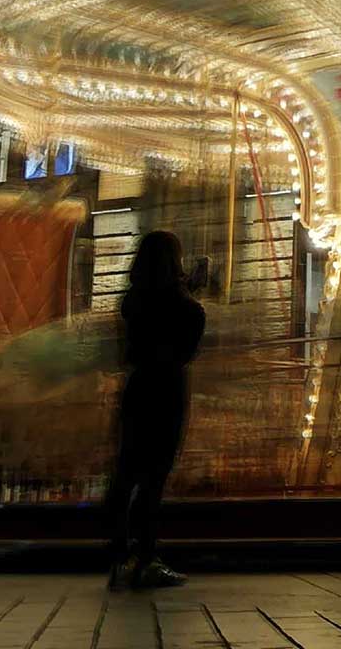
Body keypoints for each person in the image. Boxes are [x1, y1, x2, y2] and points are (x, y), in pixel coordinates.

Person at [102, 229, 205, 590]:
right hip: (167, 390)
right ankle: (145, 557)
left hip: (137, 386)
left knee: (127, 470)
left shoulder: (132, 302)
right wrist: (192, 290)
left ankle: (119, 553)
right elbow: (188, 345)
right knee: (153, 478)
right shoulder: (184, 305)